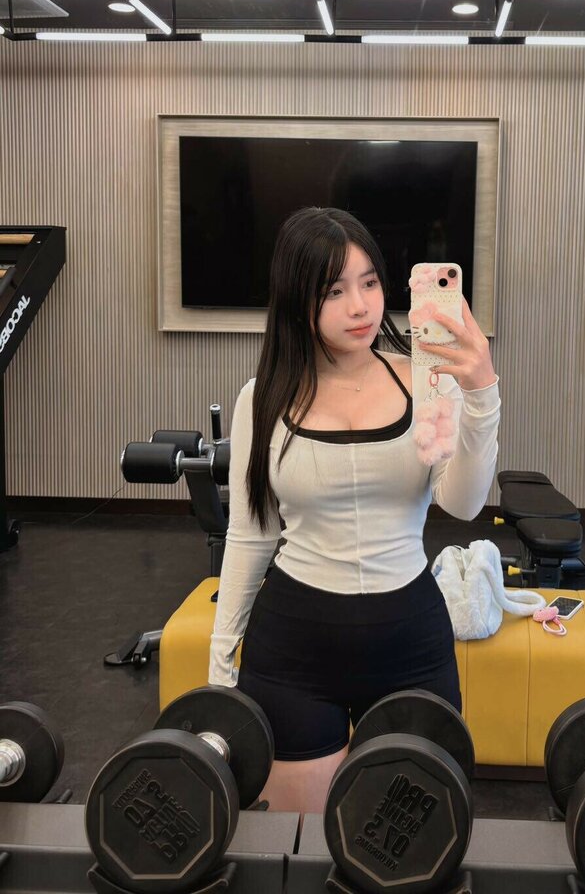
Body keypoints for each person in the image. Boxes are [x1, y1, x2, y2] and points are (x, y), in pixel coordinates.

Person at [208, 206, 500, 814]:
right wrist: (221, 659)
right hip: (293, 648)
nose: (361, 306)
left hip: (409, 641)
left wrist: (481, 395)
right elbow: (251, 535)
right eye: (334, 291)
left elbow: (463, 503)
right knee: (302, 842)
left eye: (369, 283)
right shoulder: (261, 399)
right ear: (297, 299)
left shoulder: (426, 383)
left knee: (402, 840)